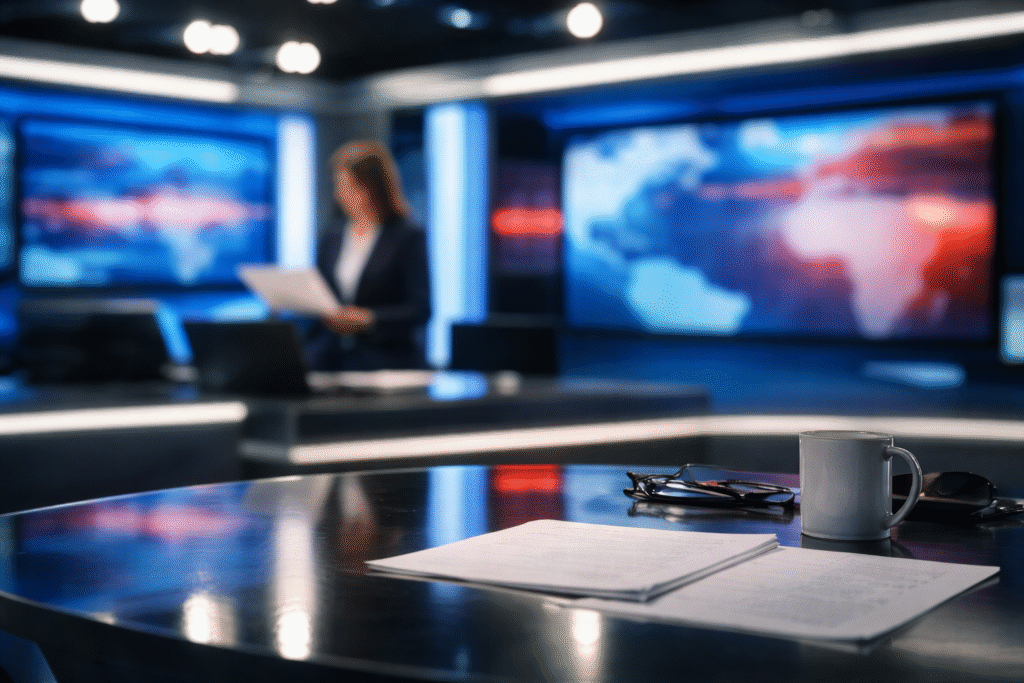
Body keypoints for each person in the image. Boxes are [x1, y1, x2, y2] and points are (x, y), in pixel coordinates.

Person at [305, 140, 431, 371]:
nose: (339, 195)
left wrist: (369, 318)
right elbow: (320, 293)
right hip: (331, 360)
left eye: (344, 186)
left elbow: (420, 309)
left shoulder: (407, 237)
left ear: (368, 187)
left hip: (387, 361)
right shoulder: (333, 237)